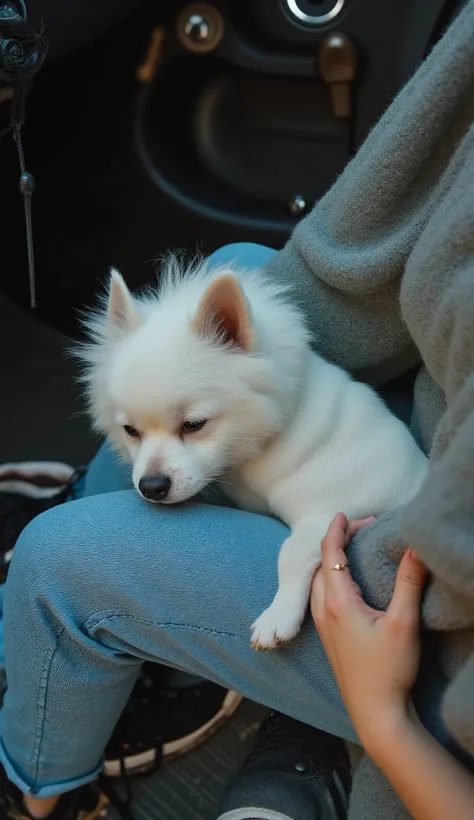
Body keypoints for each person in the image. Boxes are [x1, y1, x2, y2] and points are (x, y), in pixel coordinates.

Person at [1, 2, 474, 819]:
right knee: (238, 268)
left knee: (57, 563)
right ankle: (100, 520)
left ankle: (38, 789)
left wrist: (382, 718)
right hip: (433, 431)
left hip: (406, 599)